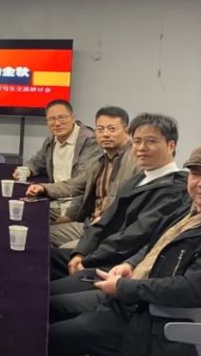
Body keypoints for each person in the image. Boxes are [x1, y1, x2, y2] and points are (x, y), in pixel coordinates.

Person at [46, 142, 201, 356]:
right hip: (135, 304)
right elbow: (154, 245)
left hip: (157, 326)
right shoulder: (195, 208)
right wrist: (129, 265)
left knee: (50, 341)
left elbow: (192, 289)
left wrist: (124, 288)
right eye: (196, 173)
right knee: (45, 307)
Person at [50, 113, 189, 297]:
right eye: (137, 141)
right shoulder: (138, 179)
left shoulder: (174, 189)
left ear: (171, 146)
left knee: (45, 294)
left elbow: (133, 237)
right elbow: (104, 221)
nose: (142, 148)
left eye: (151, 141)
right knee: (42, 259)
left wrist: (89, 259)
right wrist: (80, 252)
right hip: (100, 254)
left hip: (118, 266)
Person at [27, 106, 140, 250]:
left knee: (53, 247)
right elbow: (75, 185)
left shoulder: (137, 161)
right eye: (100, 129)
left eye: (112, 129)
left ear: (126, 132)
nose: (105, 134)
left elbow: (138, 205)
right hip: (91, 224)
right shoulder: (99, 162)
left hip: (114, 232)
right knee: (38, 233)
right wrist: (43, 188)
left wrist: (108, 219)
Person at [16, 99, 101, 220]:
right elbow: (37, 161)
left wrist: (69, 216)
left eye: (62, 117)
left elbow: (84, 184)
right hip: (55, 201)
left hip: (75, 207)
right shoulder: (52, 140)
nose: (57, 123)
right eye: (51, 119)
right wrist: (27, 170)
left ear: (72, 117)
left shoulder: (89, 142)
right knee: (18, 211)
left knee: (30, 220)